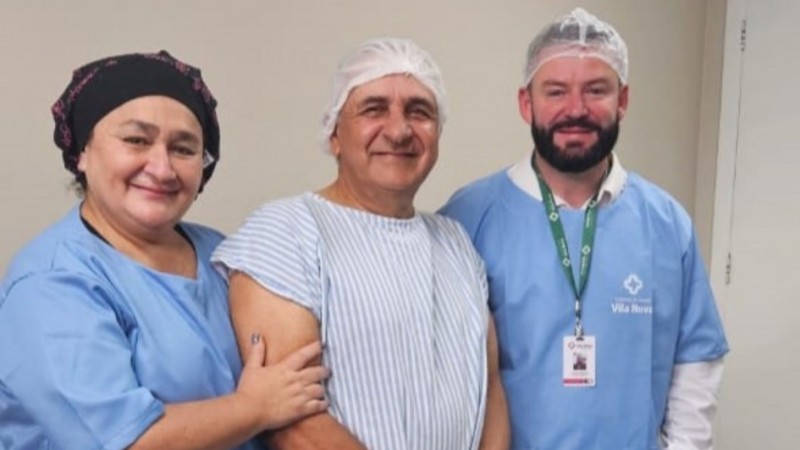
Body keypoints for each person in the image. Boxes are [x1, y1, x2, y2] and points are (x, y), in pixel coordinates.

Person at [0, 50, 329, 450]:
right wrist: (255, 407)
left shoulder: (222, 253)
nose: (162, 168)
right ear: (82, 152)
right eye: (136, 140)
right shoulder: (51, 283)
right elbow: (121, 442)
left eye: (184, 148)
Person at [440, 8, 729, 450]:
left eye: (596, 90)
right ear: (526, 103)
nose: (575, 109)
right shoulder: (468, 218)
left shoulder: (667, 225)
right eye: (555, 91)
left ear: (623, 100)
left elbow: (696, 361)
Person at [212, 38, 510, 450]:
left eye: (419, 112)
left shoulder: (455, 242)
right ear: (334, 134)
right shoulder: (285, 232)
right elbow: (293, 421)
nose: (400, 130)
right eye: (374, 109)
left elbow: (490, 390)